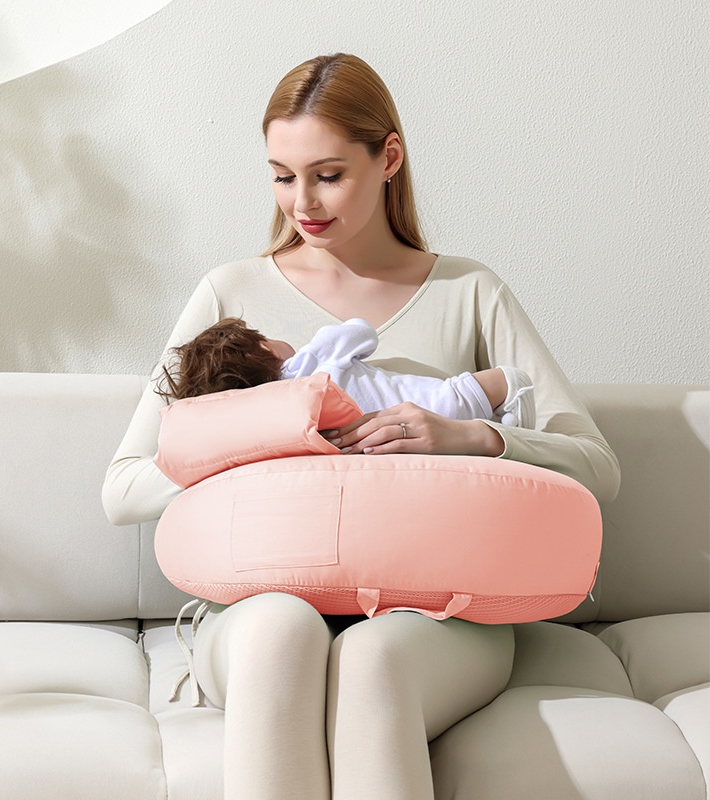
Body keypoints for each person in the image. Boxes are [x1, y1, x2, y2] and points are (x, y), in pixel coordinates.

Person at [103, 53, 620, 800]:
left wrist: (474, 438)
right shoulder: (230, 293)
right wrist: (262, 435)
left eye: (327, 173)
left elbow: (597, 468)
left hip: (438, 611)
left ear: (389, 158)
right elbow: (123, 490)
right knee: (283, 636)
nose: (301, 202)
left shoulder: (469, 291)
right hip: (258, 604)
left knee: (373, 662)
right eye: (282, 175)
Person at [156, 316, 537, 428]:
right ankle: (511, 435)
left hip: (403, 435)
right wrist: (320, 340)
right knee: (509, 379)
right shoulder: (313, 361)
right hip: (434, 402)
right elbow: (363, 334)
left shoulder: (282, 419)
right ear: (263, 347)